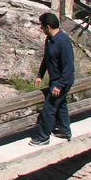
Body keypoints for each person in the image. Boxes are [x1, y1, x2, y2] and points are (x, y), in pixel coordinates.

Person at [30, 12, 75, 146]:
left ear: (48, 27)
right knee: (60, 105)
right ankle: (64, 130)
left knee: (48, 110)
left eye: (42, 26)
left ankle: (43, 137)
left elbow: (69, 67)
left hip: (62, 81)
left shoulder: (63, 42)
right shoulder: (49, 39)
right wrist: (40, 75)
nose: (40, 29)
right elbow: (46, 59)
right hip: (55, 80)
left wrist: (59, 85)